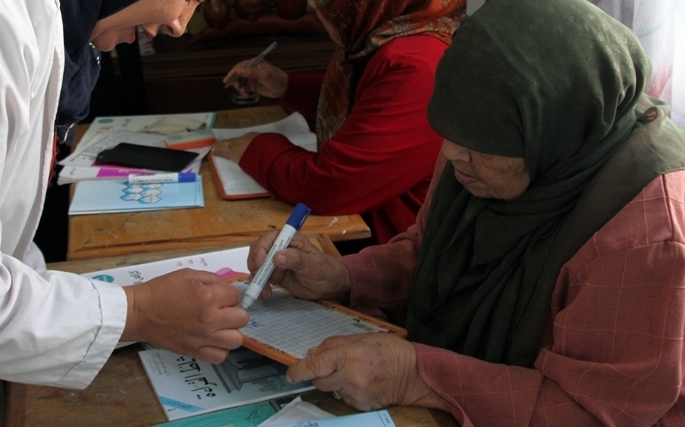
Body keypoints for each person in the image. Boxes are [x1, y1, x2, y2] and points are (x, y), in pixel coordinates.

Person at [245, 0, 685, 424]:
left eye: (479, 145)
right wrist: (341, 276)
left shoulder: (646, 235)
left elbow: (592, 413)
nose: (453, 155)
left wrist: (417, 376)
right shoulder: (482, 144)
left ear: (554, 130)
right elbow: (428, 252)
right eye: (450, 134)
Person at [0, 0, 248, 389]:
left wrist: (67, 301)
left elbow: (4, 236)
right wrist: (138, 312)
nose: (177, 26)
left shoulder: (64, 40)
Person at [215, 0, 466, 246]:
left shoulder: (418, 65)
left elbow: (329, 187)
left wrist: (255, 147)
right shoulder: (391, 37)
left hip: (391, 259)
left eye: (325, 8)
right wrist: (288, 86)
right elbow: (370, 106)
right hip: (372, 238)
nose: (323, 19)